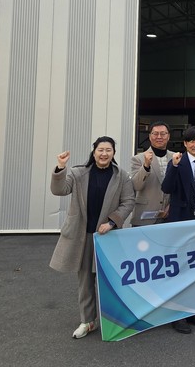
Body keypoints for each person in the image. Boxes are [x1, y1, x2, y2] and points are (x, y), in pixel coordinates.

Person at [49, 136, 135, 339]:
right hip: (84, 236)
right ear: (94, 152)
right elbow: (59, 190)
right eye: (100, 150)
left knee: (112, 281)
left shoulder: (121, 176)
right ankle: (88, 321)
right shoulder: (78, 173)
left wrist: (112, 222)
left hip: (108, 236)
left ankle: (115, 320)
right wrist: (60, 167)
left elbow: (128, 202)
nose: (104, 154)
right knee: (86, 280)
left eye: (108, 150)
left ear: (113, 153)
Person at [160, 126, 195, 333]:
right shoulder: (177, 162)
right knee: (180, 269)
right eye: (192, 141)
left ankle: (193, 312)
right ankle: (177, 316)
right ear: (185, 144)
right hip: (180, 222)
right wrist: (174, 167)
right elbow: (166, 188)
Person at [130, 121, 171, 226]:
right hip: (145, 216)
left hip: (170, 215)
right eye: (155, 133)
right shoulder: (138, 159)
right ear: (149, 136)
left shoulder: (176, 157)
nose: (159, 137)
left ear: (168, 136)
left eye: (163, 133)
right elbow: (136, 185)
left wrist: (171, 205)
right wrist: (146, 166)